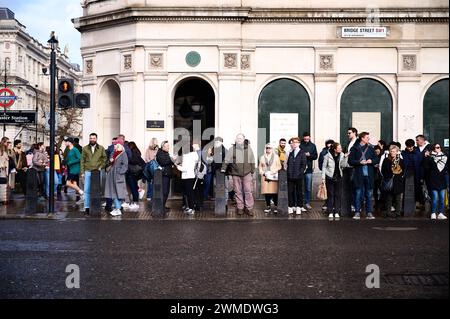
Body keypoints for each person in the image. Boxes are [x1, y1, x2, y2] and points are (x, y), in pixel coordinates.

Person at [221, 133, 256, 216]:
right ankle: (240, 207)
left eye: (240, 138)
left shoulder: (249, 148)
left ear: (244, 139)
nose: (239, 139)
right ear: (235, 140)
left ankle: (249, 208)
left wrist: (253, 170)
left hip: (247, 173)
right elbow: (226, 159)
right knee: (238, 191)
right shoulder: (232, 149)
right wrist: (223, 168)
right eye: (237, 138)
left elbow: (252, 159)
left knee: (248, 191)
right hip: (235, 173)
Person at [348, 132, 379, 220]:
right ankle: (357, 212)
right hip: (359, 174)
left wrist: (371, 161)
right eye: (367, 137)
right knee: (358, 193)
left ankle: (369, 212)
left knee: (369, 194)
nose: (368, 139)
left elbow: (376, 159)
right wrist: (359, 162)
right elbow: (350, 161)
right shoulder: (355, 148)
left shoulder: (370, 148)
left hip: (369, 174)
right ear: (362, 138)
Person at [80, 133, 107, 215]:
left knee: (97, 190)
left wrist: (101, 167)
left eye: (93, 138)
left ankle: (96, 208)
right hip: (88, 171)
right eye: (91, 138)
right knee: (87, 190)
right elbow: (82, 160)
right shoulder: (85, 148)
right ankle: (87, 208)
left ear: (96, 139)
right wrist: (82, 172)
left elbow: (105, 158)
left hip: (97, 172)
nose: (92, 139)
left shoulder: (101, 148)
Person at [322, 142, 347, 219]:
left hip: (339, 177)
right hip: (330, 177)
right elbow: (324, 167)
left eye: (341, 148)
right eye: (339, 148)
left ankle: (336, 211)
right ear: (335, 149)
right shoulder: (327, 156)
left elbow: (343, 165)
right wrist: (323, 178)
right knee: (331, 195)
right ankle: (330, 211)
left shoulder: (342, 155)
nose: (341, 149)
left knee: (338, 195)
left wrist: (345, 158)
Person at [423, 143, 448, 220]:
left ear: (440, 148)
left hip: (442, 180)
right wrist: (426, 157)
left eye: (438, 147)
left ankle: (440, 213)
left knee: (442, 198)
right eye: (435, 148)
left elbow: (447, 168)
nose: (436, 149)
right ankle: (433, 213)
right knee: (434, 198)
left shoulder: (445, 157)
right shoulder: (430, 158)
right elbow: (426, 167)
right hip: (433, 180)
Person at [381, 145, 405, 218]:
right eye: (391, 151)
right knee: (389, 198)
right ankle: (388, 212)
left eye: (394, 151)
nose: (392, 153)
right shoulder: (386, 160)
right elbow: (383, 170)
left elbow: (403, 170)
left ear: (397, 152)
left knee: (398, 198)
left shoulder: (401, 161)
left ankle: (398, 213)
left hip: (398, 181)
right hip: (389, 181)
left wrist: (398, 174)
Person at [104, 143, 129, 217]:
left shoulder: (123, 154)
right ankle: (117, 208)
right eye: (115, 145)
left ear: (120, 146)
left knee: (118, 192)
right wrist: (110, 161)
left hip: (118, 175)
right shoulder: (113, 153)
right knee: (112, 192)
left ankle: (118, 208)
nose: (115, 146)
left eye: (117, 145)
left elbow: (125, 165)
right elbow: (109, 162)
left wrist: (120, 172)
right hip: (111, 174)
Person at [286, 137, 307, 215]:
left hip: (299, 176)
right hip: (290, 176)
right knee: (290, 192)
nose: (294, 143)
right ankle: (290, 206)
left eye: (296, 142)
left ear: (299, 143)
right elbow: (287, 164)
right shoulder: (291, 153)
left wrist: (300, 173)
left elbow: (303, 165)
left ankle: (299, 206)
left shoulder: (302, 152)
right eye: (293, 142)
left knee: (299, 192)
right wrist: (288, 172)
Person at [259, 143, 282, 213]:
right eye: (267, 148)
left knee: (274, 192)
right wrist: (262, 172)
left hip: (273, 176)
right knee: (267, 193)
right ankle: (268, 206)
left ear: (272, 149)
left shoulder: (276, 157)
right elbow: (260, 167)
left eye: (269, 148)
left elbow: (279, 166)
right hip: (265, 177)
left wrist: (274, 171)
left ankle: (275, 206)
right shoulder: (262, 157)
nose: (268, 149)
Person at [176, 144, 198, 215]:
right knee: (190, 193)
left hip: (186, 176)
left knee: (188, 193)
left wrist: (177, 166)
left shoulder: (186, 157)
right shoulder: (194, 155)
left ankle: (191, 208)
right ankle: (191, 207)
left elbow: (184, 168)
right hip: (191, 176)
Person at [402, 139, 423, 207]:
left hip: (416, 173)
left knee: (417, 187)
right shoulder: (404, 153)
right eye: (408, 146)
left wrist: (421, 176)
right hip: (406, 172)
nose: (410, 148)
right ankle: (405, 204)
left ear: (413, 146)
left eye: (411, 146)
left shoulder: (418, 153)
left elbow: (420, 165)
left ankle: (418, 201)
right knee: (406, 188)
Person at [300, 132, 318, 211]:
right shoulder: (300, 145)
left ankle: (307, 202)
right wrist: (303, 155)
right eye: (305, 138)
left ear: (310, 138)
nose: (306, 140)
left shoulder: (313, 146)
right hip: (300, 169)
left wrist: (309, 155)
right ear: (303, 138)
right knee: (300, 187)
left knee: (308, 187)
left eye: (308, 138)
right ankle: (300, 203)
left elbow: (315, 156)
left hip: (309, 170)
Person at [126, 141, 145, 210]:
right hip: (136, 172)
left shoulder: (133, 153)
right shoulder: (137, 152)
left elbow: (134, 161)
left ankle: (135, 202)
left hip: (132, 172)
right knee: (133, 186)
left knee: (133, 188)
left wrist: (128, 159)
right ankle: (139, 190)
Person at [156, 141, 174, 210]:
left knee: (166, 191)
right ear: (163, 147)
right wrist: (171, 159)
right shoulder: (160, 153)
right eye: (167, 146)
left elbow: (168, 161)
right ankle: (161, 206)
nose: (168, 147)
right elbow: (163, 162)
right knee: (164, 191)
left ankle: (163, 205)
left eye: (168, 146)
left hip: (167, 174)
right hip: (164, 174)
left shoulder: (165, 153)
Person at [319, 139, 335, 211]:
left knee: (333, 190)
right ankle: (327, 203)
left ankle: (333, 204)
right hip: (326, 173)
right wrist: (323, 171)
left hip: (334, 174)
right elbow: (320, 163)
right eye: (328, 145)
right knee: (327, 189)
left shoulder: (335, 152)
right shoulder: (323, 152)